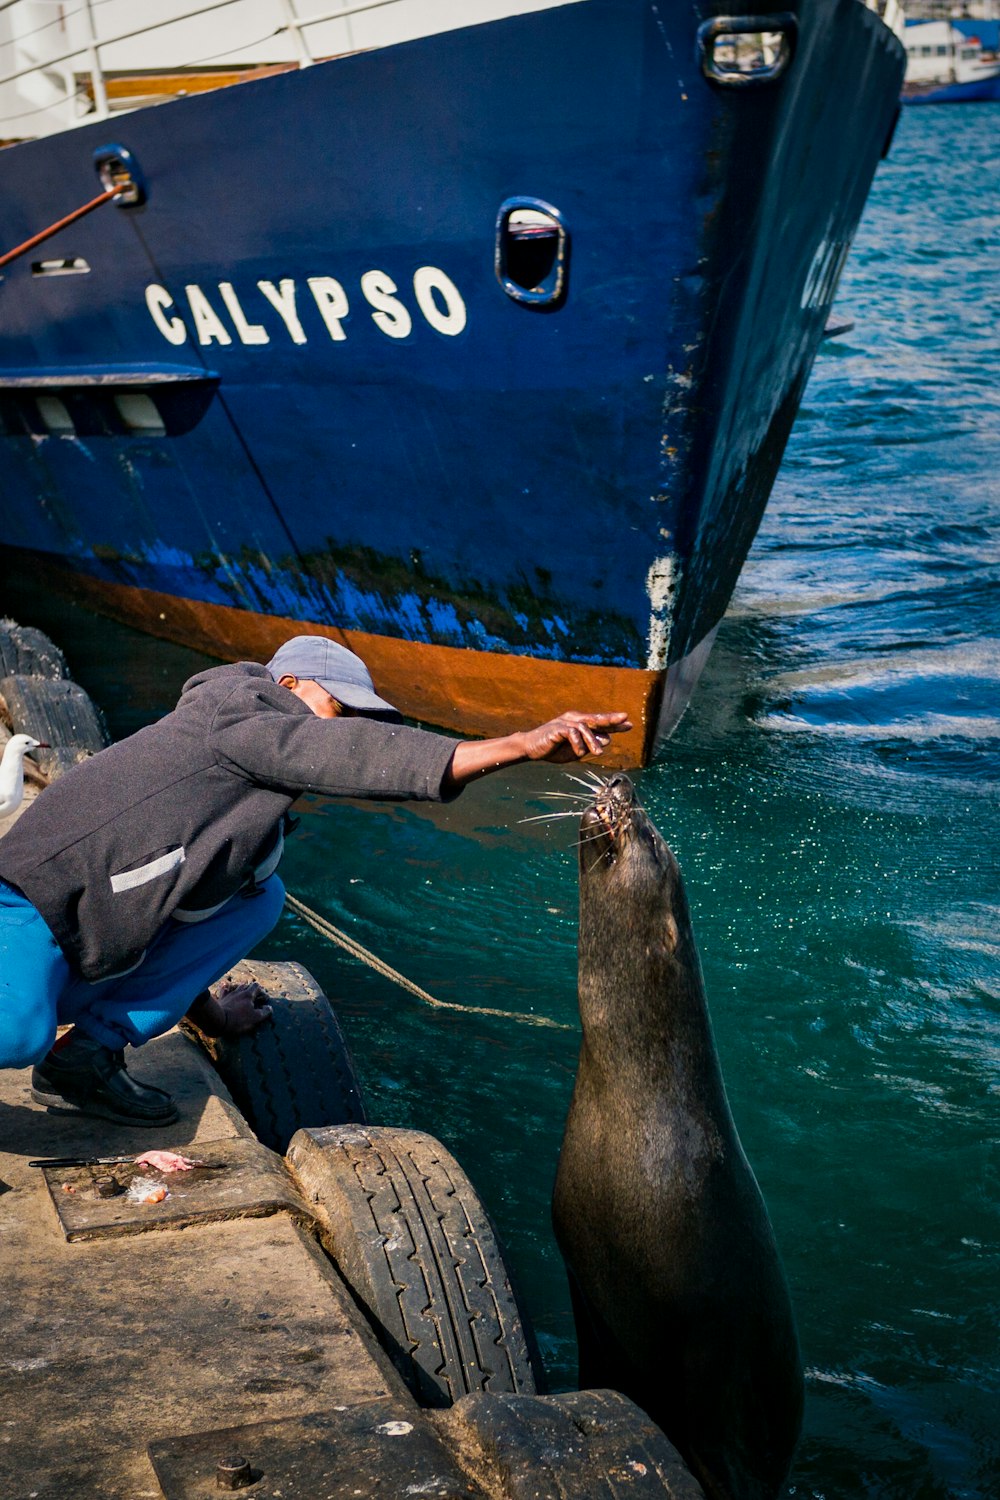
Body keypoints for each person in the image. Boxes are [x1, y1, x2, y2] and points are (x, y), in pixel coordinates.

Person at [0, 635, 631, 1127]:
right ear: (290, 683)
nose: (339, 727)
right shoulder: (237, 709)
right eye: (338, 708)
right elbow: (351, 756)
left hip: (91, 939)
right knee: (20, 1032)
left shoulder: (252, 809)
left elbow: (175, 912)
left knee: (255, 898)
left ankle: (87, 1058)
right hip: (29, 905)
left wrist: (214, 1017)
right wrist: (519, 744)